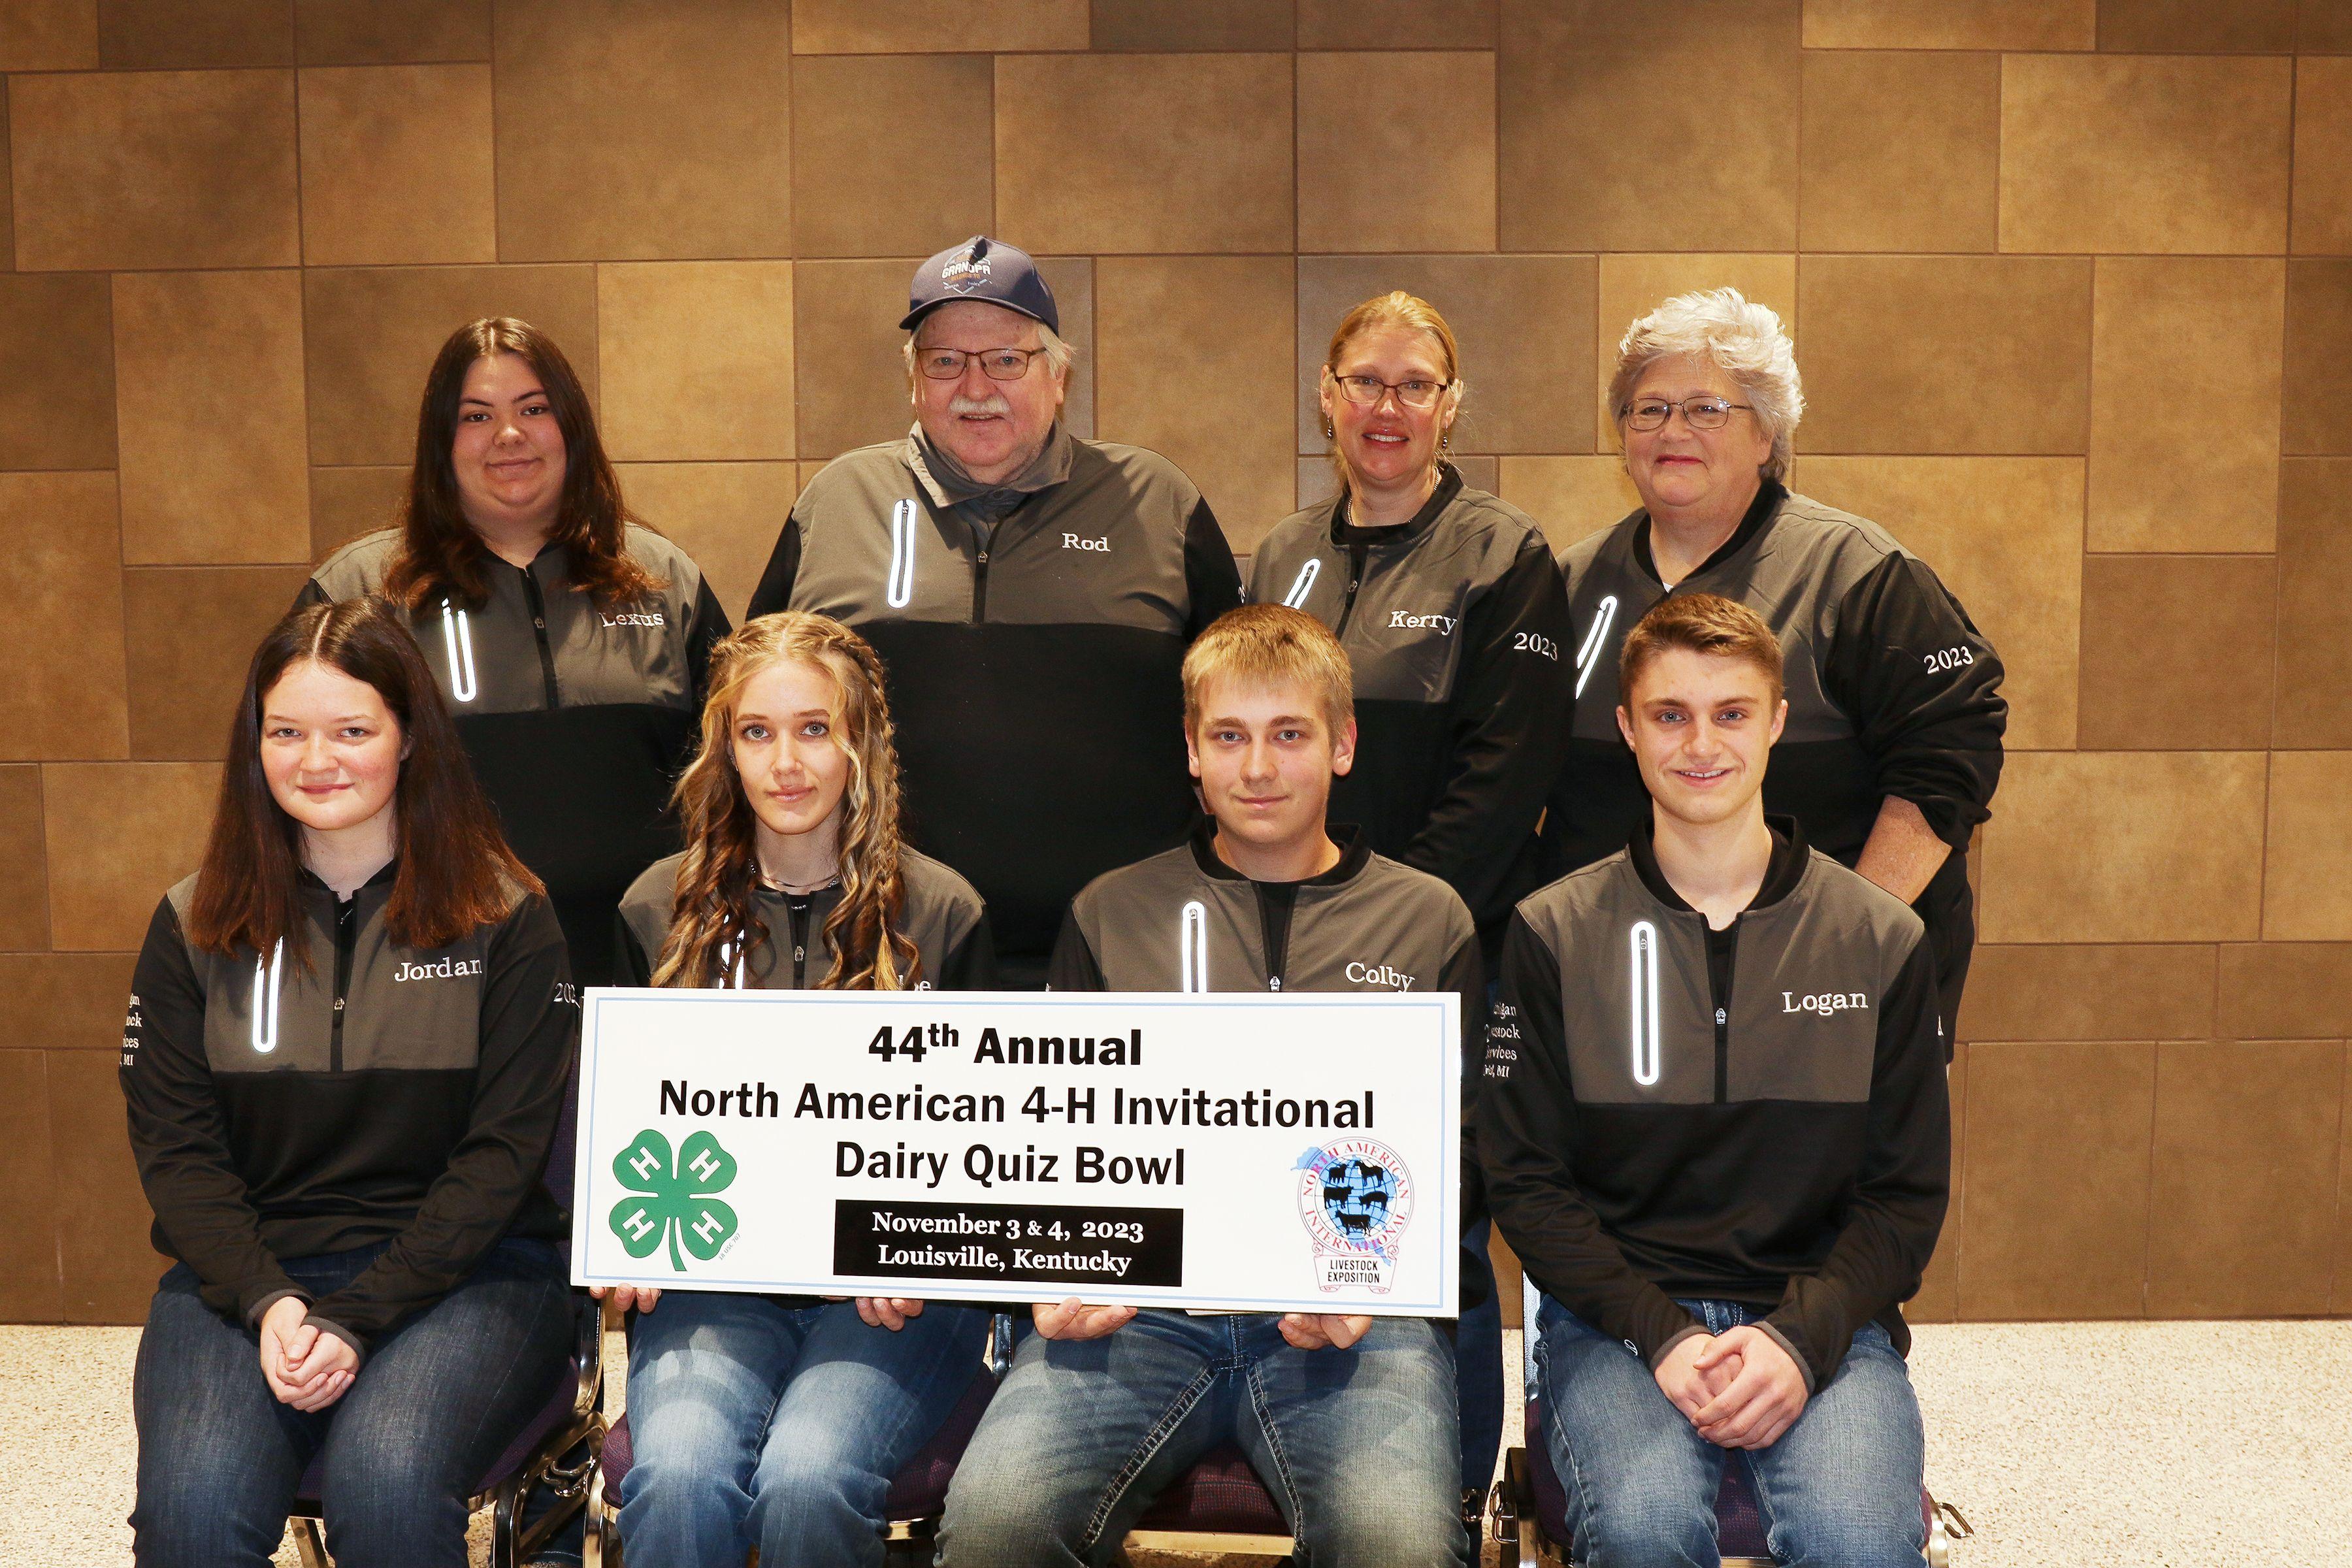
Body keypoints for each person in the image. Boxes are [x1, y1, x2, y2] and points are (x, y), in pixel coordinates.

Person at [938, 606, 1475, 1568]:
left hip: (1349, 1320)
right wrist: (1051, 1274)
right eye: (1228, 737)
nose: (1258, 768)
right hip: (1142, 1317)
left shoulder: (1426, 918)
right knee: (996, 1523)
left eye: (1289, 735)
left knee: (1398, 1544)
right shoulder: (1113, 910)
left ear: (1343, 745)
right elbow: (1053, 1134)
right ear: (1191, 751)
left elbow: (1467, 1148)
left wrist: (1378, 1275)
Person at [1482, 593, 1950, 1567]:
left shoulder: (1881, 939)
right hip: (1614, 1323)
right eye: (1670, 715)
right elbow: (1528, 1186)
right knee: (1646, 1532)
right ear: (1627, 729)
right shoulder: (1552, 933)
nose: (1702, 744)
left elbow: (1903, 1201)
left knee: (1859, 1543)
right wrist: (1661, 1334)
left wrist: (1799, 1339)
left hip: (1826, 1320)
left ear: (1777, 723)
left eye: (1732, 713)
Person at [121, 598, 578, 1567]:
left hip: (471, 1279)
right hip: (245, 1284)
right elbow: (178, 1155)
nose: (316, 759)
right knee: (192, 1519)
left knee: (389, 1487)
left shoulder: (508, 916)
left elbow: (503, 1160)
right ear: (256, 745)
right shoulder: (193, 924)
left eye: (352, 730)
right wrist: (269, 1302)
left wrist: (359, 1316)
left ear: (411, 736)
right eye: (286, 732)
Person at [1248, 289, 1571, 1508]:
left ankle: (1454, 1488)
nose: (1388, 408)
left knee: (1437, 1214)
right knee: (1314, 1200)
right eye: (1365, 383)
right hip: (1282, 947)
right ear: (1327, 398)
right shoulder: (1279, 555)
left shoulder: (1506, 555)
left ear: (1451, 409)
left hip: (1447, 949)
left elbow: (1506, 782)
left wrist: (1381, 927)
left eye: (1415, 385)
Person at [603, 612, 994, 1567]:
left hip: (890, 1295)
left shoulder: (941, 910)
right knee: (681, 1476)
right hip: (713, 1281)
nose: (788, 762)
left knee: (809, 1479)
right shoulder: (657, 909)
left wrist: (922, 1255)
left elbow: (985, 1146)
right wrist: (618, 1239)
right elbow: (617, 1124)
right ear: (724, 750)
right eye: (757, 732)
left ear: (862, 743)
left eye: (815, 729)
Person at [746, 235, 1243, 986]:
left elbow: (1240, 715)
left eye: (1007, 360)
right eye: (945, 361)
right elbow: (747, 712)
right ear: (914, 382)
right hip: (887, 953)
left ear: (1058, 374)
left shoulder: (1158, 503)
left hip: (1122, 953)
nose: (975, 387)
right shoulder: (836, 504)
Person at [1548, 287, 2004, 1047]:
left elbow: (1949, 757)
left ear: (1767, 435)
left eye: (1707, 409)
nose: (1674, 430)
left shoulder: (1857, 574)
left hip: (1827, 989)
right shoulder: (1568, 585)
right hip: (1631, 991)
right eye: (1648, 409)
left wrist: (1844, 938)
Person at [302, 316, 730, 988]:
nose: (509, 436)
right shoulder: (362, 595)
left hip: (643, 970)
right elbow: (296, 781)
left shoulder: (663, 578)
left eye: (534, 408)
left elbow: (731, 774)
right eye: (476, 416)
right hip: (436, 973)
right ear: (441, 441)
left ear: (571, 428)